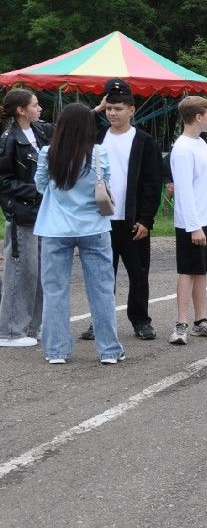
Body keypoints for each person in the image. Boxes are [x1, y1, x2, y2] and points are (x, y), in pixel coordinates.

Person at [32, 102, 124, 364]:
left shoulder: (48, 153)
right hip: (94, 227)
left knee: (55, 291)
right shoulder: (99, 153)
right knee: (102, 290)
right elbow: (105, 184)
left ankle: (56, 350)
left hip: (54, 227)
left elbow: (40, 186)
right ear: (88, 127)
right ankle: (109, 350)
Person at [79, 78, 164, 342]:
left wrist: (146, 220)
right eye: (109, 108)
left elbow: (152, 184)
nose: (113, 113)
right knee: (102, 275)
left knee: (138, 273)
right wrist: (94, 111)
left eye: (118, 108)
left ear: (131, 110)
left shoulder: (144, 141)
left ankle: (140, 319)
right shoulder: (97, 137)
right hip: (101, 220)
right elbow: (71, 130)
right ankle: (99, 320)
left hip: (132, 220)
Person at [169, 95, 207, 345]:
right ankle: (180, 324)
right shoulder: (182, 148)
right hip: (190, 223)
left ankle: (200, 321)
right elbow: (183, 190)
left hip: (206, 219)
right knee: (188, 271)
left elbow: (206, 187)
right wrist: (194, 226)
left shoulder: (202, 146)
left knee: (202, 270)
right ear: (198, 117)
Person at [0, 89, 52, 347]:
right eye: (35, 104)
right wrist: (35, 190)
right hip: (21, 214)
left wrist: (96, 111)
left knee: (41, 272)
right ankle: (10, 331)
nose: (40, 108)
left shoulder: (40, 132)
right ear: (21, 110)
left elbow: (69, 127)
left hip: (43, 213)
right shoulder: (8, 139)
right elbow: (3, 181)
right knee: (20, 272)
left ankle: (34, 326)